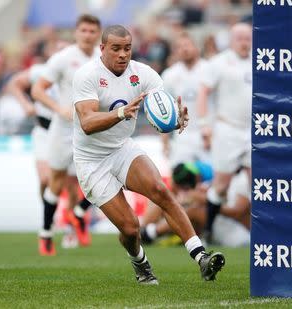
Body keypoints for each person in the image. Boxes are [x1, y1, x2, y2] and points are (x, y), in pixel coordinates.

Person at [72, 24, 225, 284]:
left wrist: (175, 121)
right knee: (131, 229)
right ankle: (140, 263)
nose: (123, 54)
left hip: (122, 147)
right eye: (116, 49)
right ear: (102, 49)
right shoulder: (87, 75)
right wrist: (121, 112)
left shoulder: (144, 74)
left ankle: (201, 257)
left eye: (127, 48)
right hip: (91, 159)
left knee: (161, 190)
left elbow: (161, 112)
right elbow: (87, 123)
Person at [31, 14, 101, 255]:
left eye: (92, 31)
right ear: (76, 32)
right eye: (84, 30)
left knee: (105, 175)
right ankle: (46, 233)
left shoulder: (104, 60)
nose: (88, 35)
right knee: (57, 182)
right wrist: (59, 108)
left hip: (91, 128)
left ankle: (79, 214)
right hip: (63, 129)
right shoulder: (63, 58)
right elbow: (37, 90)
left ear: (98, 34)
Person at [196, 22, 252, 243]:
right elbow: (203, 91)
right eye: (240, 38)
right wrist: (204, 124)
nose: (245, 42)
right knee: (221, 185)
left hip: (254, 130)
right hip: (228, 129)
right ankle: (208, 230)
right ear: (231, 40)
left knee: (257, 184)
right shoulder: (219, 63)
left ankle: (264, 235)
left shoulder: (260, 61)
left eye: (248, 38)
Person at [141, 162, 250, 247]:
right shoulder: (228, 178)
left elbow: (237, 212)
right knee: (165, 199)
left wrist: (206, 200)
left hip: (238, 234)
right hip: (224, 227)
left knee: (193, 210)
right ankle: (145, 230)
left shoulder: (242, 180)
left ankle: (151, 233)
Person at [161, 32, 211, 167]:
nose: (184, 49)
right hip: (182, 135)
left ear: (196, 47)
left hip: (207, 134)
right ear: (175, 51)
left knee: (211, 180)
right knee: (181, 179)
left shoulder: (210, 69)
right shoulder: (169, 75)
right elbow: (165, 110)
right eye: (179, 47)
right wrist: (165, 142)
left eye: (187, 45)